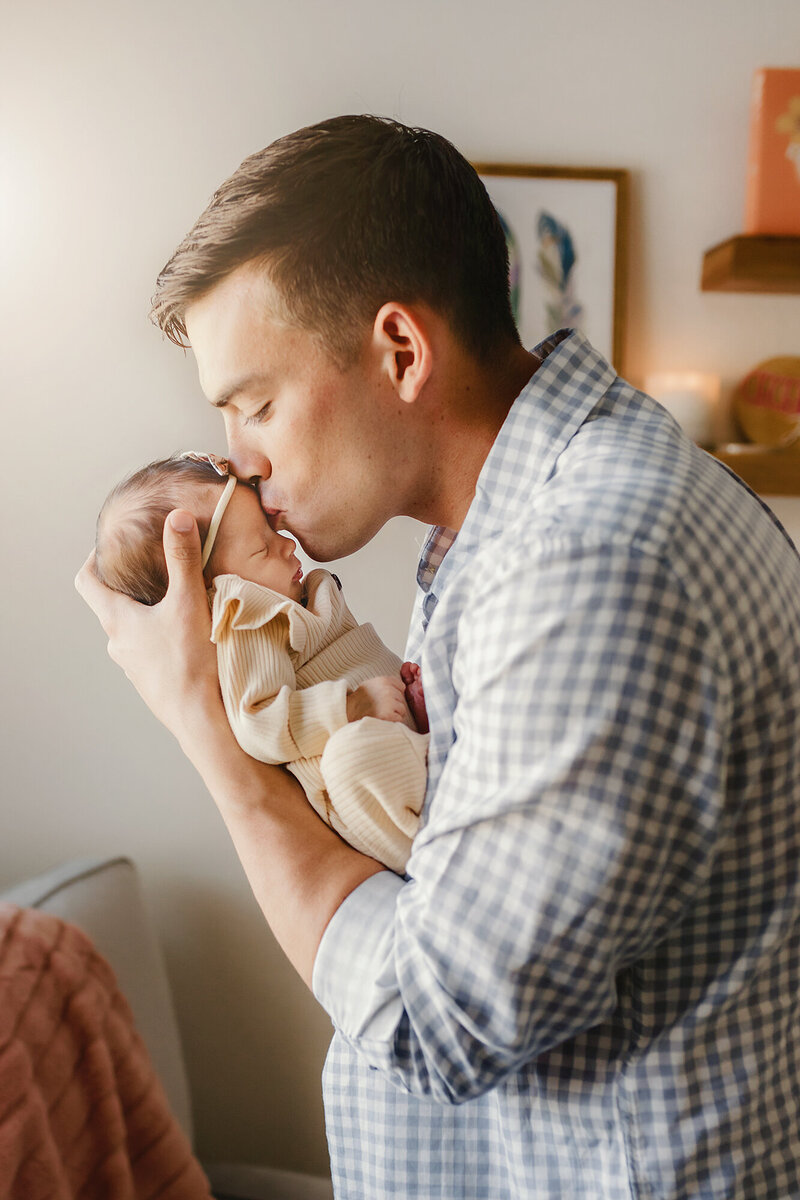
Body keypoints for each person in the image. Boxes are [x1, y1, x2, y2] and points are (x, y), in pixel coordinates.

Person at [76, 115, 800, 1198]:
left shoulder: (587, 560)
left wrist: (212, 743)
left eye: (257, 403)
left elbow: (435, 1019)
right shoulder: (503, 531)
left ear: (401, 351)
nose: (239, 461)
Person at [94, 451, 428, 874]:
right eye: (263, 548)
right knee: (351, 757)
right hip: (370, 789)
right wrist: (354, 705)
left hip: (403, 735)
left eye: (273, 532)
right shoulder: (246, 615)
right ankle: (433, 852)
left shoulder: (288, 600)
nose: (287, 545)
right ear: (214, 592)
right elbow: (260, 720)